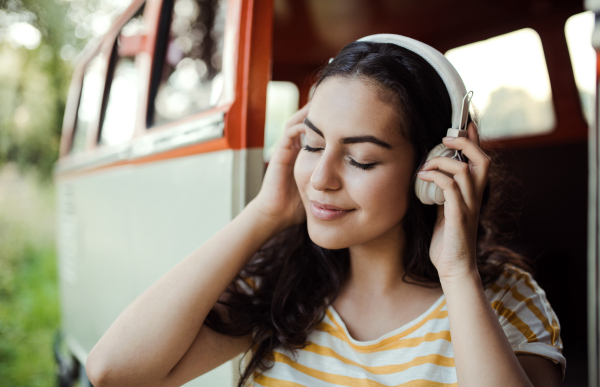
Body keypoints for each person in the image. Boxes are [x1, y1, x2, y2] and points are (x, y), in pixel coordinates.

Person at [85, 34, 565, 387]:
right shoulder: (281, 287)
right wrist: (264, 213)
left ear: (433, 170)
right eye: (312, 145)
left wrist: (458, 274)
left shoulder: (505, 300)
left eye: (360, 159)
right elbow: (113, 372)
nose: (320, 178)